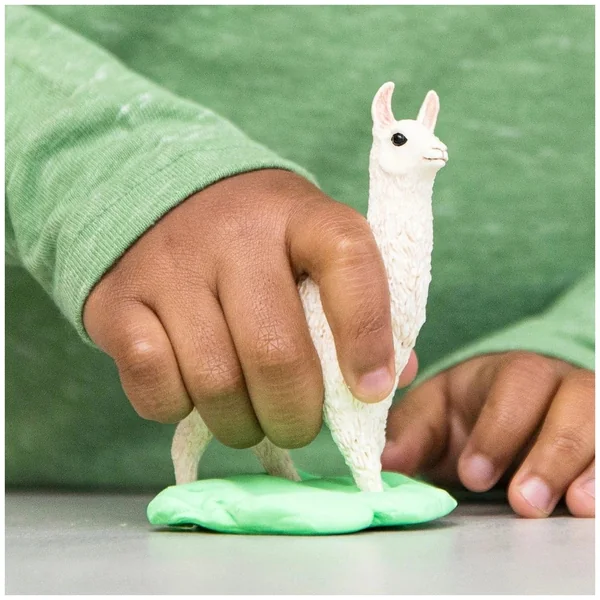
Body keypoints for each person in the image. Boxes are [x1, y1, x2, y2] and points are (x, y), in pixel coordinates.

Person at [6, 5, 594, 518]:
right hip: (53, 499)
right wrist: (134, 179)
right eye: (403, 139)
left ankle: (330, 471)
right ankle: (222, 474)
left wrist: (584, 337)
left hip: (515, 494)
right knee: (222, 401)